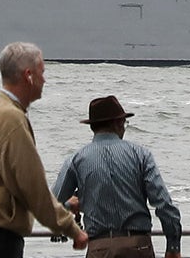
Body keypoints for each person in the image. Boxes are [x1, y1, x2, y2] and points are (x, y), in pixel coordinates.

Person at [0, 42, 88, 257]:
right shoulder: (11, 118)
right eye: (41, 72)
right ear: (29, 76)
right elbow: (32, 185)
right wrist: (71, 229)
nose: (44, 80)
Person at [53, 97, 182, 258]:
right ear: (118, 123)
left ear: (92, 126)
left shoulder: (76, 159)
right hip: (138, 246)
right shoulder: (141, 155)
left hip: (99, 248)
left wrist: (69, 204)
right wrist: (173, 247)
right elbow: (165, 205)